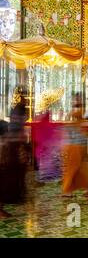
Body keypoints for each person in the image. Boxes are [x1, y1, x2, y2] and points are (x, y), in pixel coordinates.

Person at [0, 88, 28, 218]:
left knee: (14, 172)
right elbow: (16, 127)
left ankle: (14, 197)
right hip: (13, 145)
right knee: (10, 174)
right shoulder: (19, 109)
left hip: (13, 144)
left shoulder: (17, 109)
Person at [61, 93, 88, 197]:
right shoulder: (77, 112)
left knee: (72, 169)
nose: (74, 101)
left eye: (76, 99)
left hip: (76, 144)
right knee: (79, 169)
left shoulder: (78, 112)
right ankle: (86, 190)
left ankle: (68, 190)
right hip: (75, 143)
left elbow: (76, 123)